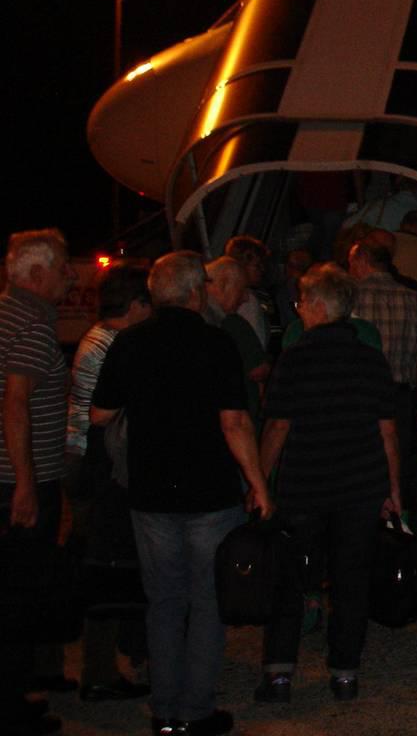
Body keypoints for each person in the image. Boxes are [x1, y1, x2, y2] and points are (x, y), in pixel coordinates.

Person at [90, 250, 273, 736]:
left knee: (164, 601)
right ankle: (196, 710)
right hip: (209, 493)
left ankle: (165, 710)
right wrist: (258, 483)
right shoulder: (215, 344)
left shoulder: (128, 344)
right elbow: (234, 422)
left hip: (150, 494)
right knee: (207, 601)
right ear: (197, 291)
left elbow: (100, 415)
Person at [255, 264, 400, 704]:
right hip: (358, 486)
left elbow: (278, 426)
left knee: (291, 580)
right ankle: (345, 673)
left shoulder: (295, 358)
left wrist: (260, 481)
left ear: (318, 307)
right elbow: (387, 430)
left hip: (304, 487)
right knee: (350, 582)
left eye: (301, 302)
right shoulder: (370, 359)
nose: (299, 310)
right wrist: (393, 488)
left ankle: (280, 674)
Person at [1, 230, 77, 736]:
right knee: (18, 593)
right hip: (16, 482)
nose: (70, 276)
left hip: (10, 476)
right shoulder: (32, 324)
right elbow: (15, 403)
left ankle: (22, 687)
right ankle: (14, 708)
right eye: (62, 268)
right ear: (35, 274)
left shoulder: (7, 313)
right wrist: (27, 483)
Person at [67, 261, 153, 704]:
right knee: (106, 565)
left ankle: (105, 666)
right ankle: (99, 672)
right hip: (94, 463)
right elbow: (107, 414)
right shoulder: (110, 345)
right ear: (136, 304)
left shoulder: (98, 338)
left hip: (89, 459)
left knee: (105, 562)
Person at [348, 234, 417, 522]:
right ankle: (399, 528)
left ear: (361, 260)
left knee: (363, 466)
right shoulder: (414, 299)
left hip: (361, 396)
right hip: (401, 397)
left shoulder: (351, 297)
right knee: (400, 465)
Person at [203, 258, 268, 425]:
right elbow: (258, 370)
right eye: (242, 289)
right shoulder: (232, 324)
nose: (246, 297)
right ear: (225, 284)